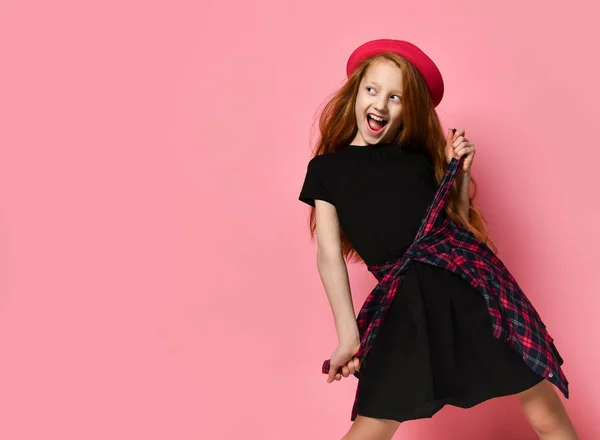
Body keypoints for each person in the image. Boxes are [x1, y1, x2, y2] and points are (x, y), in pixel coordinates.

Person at [298, 39, 579, 440]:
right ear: (355, 92)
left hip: (471, 297)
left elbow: (455, 233)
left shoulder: (418, 161)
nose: (380, 104)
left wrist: (460, 173)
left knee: (545, 411)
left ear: (408, 109)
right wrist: (348, 335)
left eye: (395, 97)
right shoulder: (325, 170)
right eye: (372, 90)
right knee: (371, 428)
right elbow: (329, 255)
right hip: (406, 310)